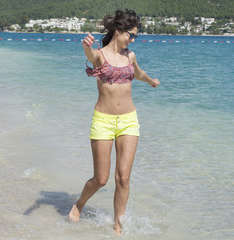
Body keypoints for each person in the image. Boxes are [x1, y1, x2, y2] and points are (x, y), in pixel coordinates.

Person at [68, 9, 160, 236]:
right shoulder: (100, 55)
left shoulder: (130, 56)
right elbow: (90, 56)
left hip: (129, 121)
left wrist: (150, 81)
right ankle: (80, 203)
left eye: (135, 36)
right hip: (103, 121)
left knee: (124, 178)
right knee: (101, 179)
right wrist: (86, 46)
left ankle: (118, 225)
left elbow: (137, 74)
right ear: (118, 31)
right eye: (131, 34)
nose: (133, 39)